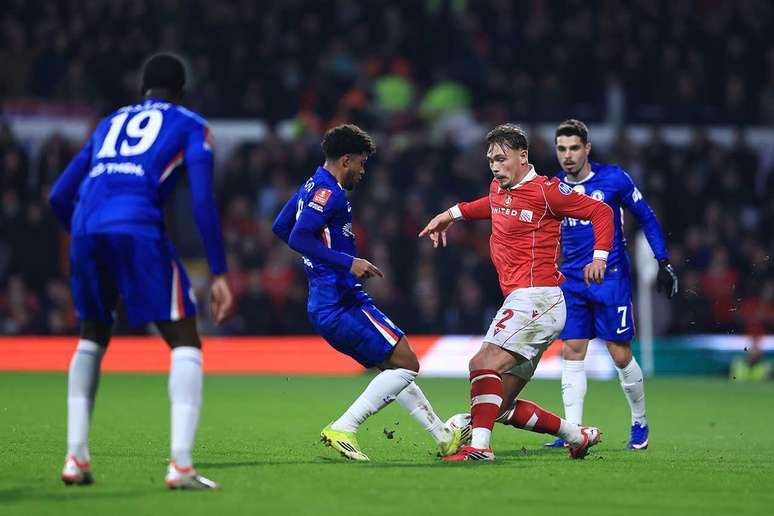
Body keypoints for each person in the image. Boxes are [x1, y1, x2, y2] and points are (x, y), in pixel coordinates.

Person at [48, 53, 233, 489]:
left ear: (141, 90)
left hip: (86, 228)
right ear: (182, 91)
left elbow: (59, 195)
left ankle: (75, 457)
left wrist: (84, 235)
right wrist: (220, 271)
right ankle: (181, 466)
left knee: (92, 335)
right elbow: (203, 202)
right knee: (185, 339)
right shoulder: (190, 123)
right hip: (138, 228)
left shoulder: (108, 122)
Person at [272, 124, 467, 462]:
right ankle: (344, 427)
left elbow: (281, 227)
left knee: (393, 368)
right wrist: (346, 262)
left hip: (326, 300)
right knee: (407, 362)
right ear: (345, 160)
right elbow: (298, 237)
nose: (363, 171)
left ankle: (443, 436)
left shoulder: (311, 185)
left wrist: (318, 263)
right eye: (361, 163)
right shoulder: (328, 193)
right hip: (341, 301)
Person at [419, 123, 614, 461]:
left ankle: (479, 448)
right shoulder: (500, 188)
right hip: (527, 301)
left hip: (538, 297)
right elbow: (489, 205)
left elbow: (601, 211)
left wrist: (599, 257)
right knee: (498, 406)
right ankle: (576, 435)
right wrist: (450, 215)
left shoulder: (546, 192)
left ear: (522, 157)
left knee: (482, 364)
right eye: (490, 160)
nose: (495, 167)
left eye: (501, 159)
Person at [543, 119, 678, 451]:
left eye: (574, 148)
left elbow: (645, 215)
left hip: (610, 279)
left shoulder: (614, 179)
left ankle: (640, 421)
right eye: (561, 149)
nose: (568, 155)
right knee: (572, 351)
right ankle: (573, 432)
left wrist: (662, 260)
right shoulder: (554, 187)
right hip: (572, 282)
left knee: (619, 353)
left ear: (587, 148)